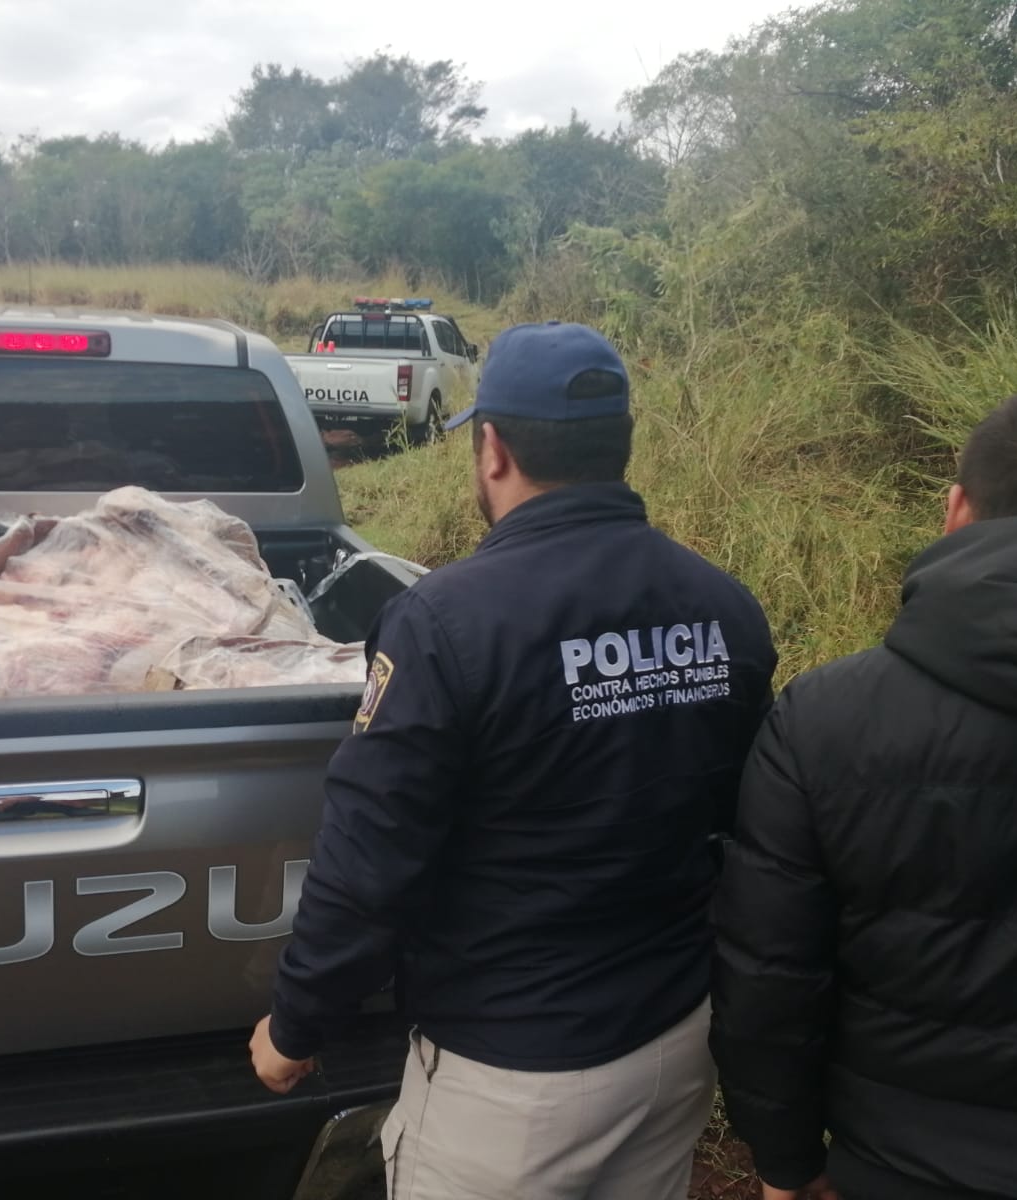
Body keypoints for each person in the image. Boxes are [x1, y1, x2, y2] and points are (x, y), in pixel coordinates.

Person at [249, 322, 778, 1199]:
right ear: (621, 446)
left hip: (513, 1080)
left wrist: (296, 1026)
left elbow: (368, 864)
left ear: (491, 448)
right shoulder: (725, 607)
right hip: (676, 1042)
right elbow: (746, 826)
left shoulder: (448, 623)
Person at [711, 388, 1017, 1200]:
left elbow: (771, 978)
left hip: (895, 1165)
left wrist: (785, 1162)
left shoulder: (824, 718)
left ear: (955, 510)